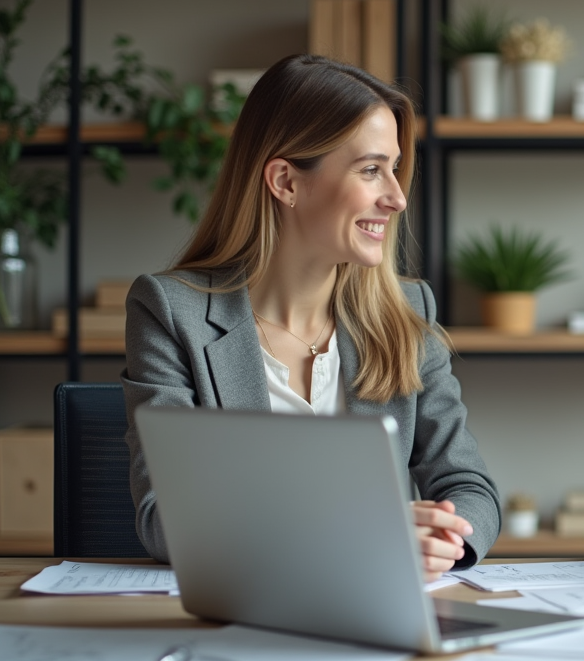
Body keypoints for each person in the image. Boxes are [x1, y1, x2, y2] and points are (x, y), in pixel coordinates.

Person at [122, 54, 500, 579]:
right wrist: (361, 531)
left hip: (379, 618)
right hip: (240, 619)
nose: (396, 197)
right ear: (286, 182)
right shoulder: (170, 312)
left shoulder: (407, 313)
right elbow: (165, 518)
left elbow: (471, 489)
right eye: (371, 169)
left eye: (394, 169)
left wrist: (446, 540)